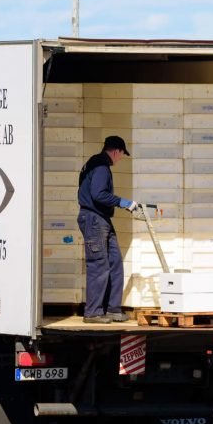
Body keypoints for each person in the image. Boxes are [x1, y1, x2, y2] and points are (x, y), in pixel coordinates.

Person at [77, 135, 137, 323]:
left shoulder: (94, 164)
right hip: (95, 220)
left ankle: (112, 309)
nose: (120, 159)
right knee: (99, 264)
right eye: (122, 155)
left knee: (115, 263)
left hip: (101, 219)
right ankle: (93, 312)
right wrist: (122, 202)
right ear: (116, 151)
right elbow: (98, 194)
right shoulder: (101, 166)